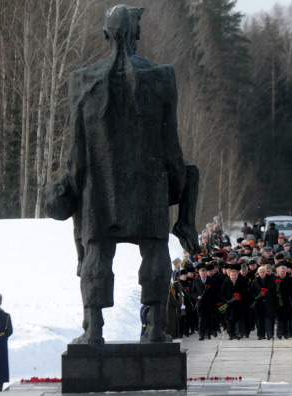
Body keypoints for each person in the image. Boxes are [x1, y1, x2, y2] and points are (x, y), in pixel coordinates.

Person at [43, 5, 199, 344]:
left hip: (99, 192)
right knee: (156, 250)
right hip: (149, 188)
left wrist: (73, 185)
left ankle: (94, 329)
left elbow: (76, 149)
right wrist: (178, 188)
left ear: (105, 33)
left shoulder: (83, 80)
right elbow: (171, 144)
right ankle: (156, 327)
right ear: (137, 34)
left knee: (97, 251)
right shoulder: (161, 77)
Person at [220, 264, 248, 340]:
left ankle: (238, 333)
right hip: (229, 304)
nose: (233, 277)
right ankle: (230, 334)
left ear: (237, 275)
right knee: (230, 320)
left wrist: (242, 301)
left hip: (239, 304)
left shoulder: (241, 282)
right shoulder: (226, 281)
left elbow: (245, 293)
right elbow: (222, 293)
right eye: (232, 275)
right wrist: (226, 301)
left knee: (238, 320)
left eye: (235, 275)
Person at [251, 266, 277, 340]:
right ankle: (261, 334)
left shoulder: (271, 280)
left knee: (268, 318)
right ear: (258, 273)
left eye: (263, 272)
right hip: (259, 303)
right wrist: (255, 296)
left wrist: (274, 301)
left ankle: (269, 333)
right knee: (259, 319)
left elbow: (274, 291)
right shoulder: (255, 281)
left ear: (266, 272)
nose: (262, 273)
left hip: (268, 302)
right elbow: (251, 292)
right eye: (261, 272)